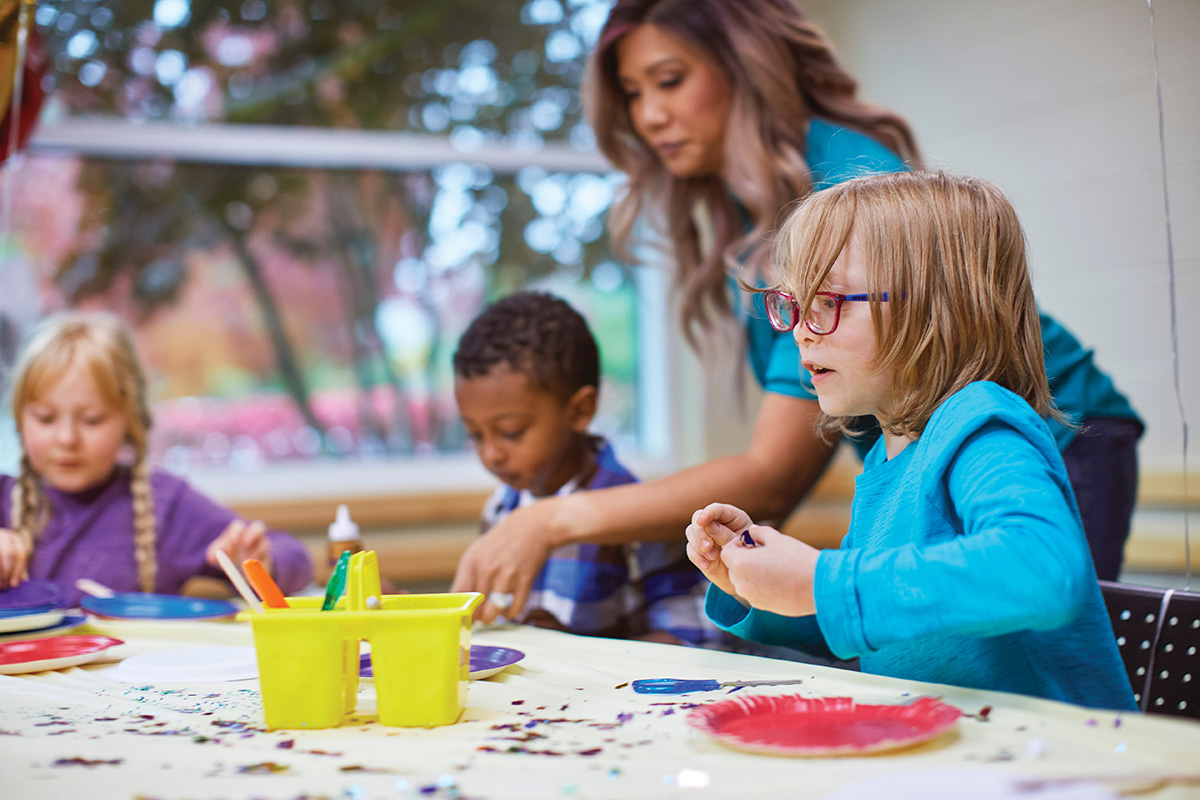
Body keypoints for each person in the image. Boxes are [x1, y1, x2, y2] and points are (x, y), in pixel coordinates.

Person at [452, 0, 1141, 627]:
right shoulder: (884, 462)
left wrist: (553, 519)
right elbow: (872, 617)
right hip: (916, 449)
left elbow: (776, 471)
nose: (648, 115)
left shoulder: (849, 194)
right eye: (633, 94)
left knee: (1020, 645)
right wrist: (751, 591)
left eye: (669, 80)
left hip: (1062, 428)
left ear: (744, 70)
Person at [686, 171, 1135, 710]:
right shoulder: (888, 454)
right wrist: (758, 586)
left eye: (828, 300)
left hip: (1057, 771)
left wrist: (824, 581)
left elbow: (1043, 571)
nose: (802, 328)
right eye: (794, 302)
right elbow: (883, 620)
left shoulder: (982, 428)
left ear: (935, 308)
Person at [453, 291, 719, 646]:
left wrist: (575, 647)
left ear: (580, 410)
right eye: (474, 434)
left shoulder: (635, 516)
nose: (492, 454)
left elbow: (694, 635)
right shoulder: (500, 508)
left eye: (510, 432)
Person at [0, 311, 313, 604]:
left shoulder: (165, 504)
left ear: (129, 420)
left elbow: (297, 558)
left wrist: (259, 564)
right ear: (19, 419)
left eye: (92, 419)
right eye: (45, 418)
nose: (67, 439)